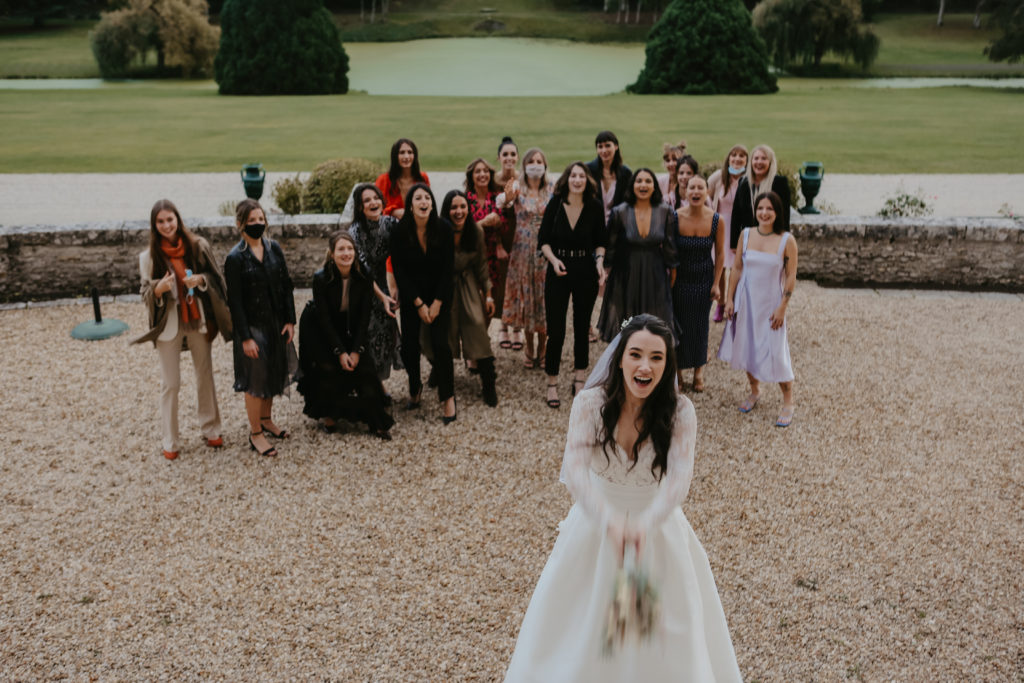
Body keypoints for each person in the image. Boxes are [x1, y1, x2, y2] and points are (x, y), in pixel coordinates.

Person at [504, 314, 743, 682]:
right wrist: (610, 522)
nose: (645, 366)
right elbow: (576, 471)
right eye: (636, 354)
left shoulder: (682, 412)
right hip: (595, 529)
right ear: (619, 359)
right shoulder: (589, 403)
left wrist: (645, 525)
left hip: (658, 530)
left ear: (667, 365)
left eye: (656, 357)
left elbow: (680, 480)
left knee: (660, 637)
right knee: (581, 632)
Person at [133, 199, 232, 460]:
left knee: (204, 374)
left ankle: (211, 428)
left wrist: (200, 280)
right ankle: (170, 439)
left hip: (198, 319)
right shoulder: (147, 257)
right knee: (171, 383)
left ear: (178, 219)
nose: (167, 225)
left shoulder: (197, 246)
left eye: (170, 219)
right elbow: (145, 293)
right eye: (161, 221)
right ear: (154, 225)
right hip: (168, 323)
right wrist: (158, 289)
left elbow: (216, 278)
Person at [297, 231, 395, 440]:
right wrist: (340, 351)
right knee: (328, 368)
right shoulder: (320, 278)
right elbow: (324, 319)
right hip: (320, 327)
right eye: (341, 249)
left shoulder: (364, 275)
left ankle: (376, 421)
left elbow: (365, 316)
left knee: (366, 370)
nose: (346, 253)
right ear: (332, 254)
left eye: (350, 249)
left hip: (352, 325)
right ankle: (329, 414)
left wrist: (356, 350)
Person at [223, 199, 298, 457]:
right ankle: (255, 433)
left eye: (260, 219)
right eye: (251, 220)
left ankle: (266, 420)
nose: (257, 224)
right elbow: (235, 303)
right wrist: (245, 338)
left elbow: (286, 285)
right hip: (252, 327)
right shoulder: (235, 258)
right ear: (240, 224)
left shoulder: (274, 248)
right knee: (255, 380)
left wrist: (290, 320)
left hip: (276, 323)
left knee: (273, 372)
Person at [718, 191, 798, 427]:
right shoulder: (746, 234)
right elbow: (737, 268)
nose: (764, 213)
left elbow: (791, 276)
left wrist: (783, 307)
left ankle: (788, 401)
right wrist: (729, 299)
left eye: (769, 209)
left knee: (777, 351)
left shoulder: (787, 240)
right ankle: (755, 390)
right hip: (746, 301)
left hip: (771, 304)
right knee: (747, 347)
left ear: (777, 212)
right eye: (761, 208)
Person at [539, 162, 607, 408]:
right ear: (567, 179)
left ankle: (579, 379)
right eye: (573, 175)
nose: (577, 180)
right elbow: (543, 240)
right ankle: (552, 382)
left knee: (581, 327)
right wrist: (553, 260)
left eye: (581, 176)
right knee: (556, 330)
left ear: (587, 180)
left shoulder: (595, 206)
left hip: (585, 270)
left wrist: (599, 262)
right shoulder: (556, 204)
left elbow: (601, 241)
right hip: (558, 268)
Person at [390, 183, 458, 423]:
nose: (423, 201)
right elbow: (400, 271)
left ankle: (447, 397)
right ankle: (414, 387)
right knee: (409, 347)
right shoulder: (399, 232)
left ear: (432, 203)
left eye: (427, 197)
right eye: (418, 198)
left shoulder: (444, 228)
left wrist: (437, 303)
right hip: (413, 296)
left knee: (441, 345)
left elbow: (448, 269)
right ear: (410, 205)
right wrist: (419, 304)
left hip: (440, 294)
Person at [425, 189, 498, 407]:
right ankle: (439, 368)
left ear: (468, 208)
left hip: (467, 283)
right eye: (454, 207)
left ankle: (488, 381)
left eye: (463, 206)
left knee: (476, 327)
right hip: (442, 285)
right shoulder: (437, 231)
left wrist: (488, 296)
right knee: (439, 331)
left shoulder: (475, 230)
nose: (459, 211)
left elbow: (482, 265)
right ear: (446, 210)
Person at [596, 168, 678, 343]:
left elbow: (670, 247)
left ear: (654, 186)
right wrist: (606, 271)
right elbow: (611, 245)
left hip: (655, 272)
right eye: (639, 181)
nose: (643, 185)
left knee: (655, 319)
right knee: (627, 320)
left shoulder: (665, 211)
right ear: (632, 185)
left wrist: (673, 275)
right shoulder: (620, 212)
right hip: (626, 272)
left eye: (648, 181)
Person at [673, 175, 725, 392]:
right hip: (680, 280)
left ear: (706, 192)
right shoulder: (675, 217)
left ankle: (698, 371)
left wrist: (716, 284)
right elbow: (670, 251)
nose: (695, 192)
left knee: (700, 326)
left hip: (704, 279)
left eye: (700, 188)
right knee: (678, 325)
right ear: (685, 192)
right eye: (691, 188)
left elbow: (720, 254)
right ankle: (677, 372)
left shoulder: (716, 220)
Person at [501, 147, 552, 369]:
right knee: (527, 299)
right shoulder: (517, 187)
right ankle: (529, 346)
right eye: (531, 161)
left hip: (545, 251)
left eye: (539, 161)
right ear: (524, 165)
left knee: (544, 299)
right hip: (522, 250)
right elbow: (502, 202)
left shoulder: (552, 188)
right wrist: (506, 199)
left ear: (545, 165)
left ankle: (544, 347)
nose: (535, 165)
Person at [347, 183, 402, 384]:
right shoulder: (355, 231)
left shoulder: (391, 224)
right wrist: (382, 297)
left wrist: (396, 290)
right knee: (365, 336)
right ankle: (367, 385)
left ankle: (377, 384)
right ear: (360, 207)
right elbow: (363, 270)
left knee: (385, 335)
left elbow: (401, 258)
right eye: (367, 200)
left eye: (376, 198)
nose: (373, 203)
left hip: (382, 284)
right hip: (360, 288)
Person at [465, 157, 511, 348]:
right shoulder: (465, 199)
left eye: (485, 171)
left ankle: (481, 339)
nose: (482, 174)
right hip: (470, 259)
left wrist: (499, 223)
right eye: (478, 171)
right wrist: (483, 223)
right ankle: (473, 343)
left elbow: (506, 227)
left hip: (492, 258)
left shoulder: (497, 197)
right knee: (472, 303)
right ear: (471, 176)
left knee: (489, 302)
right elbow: (461, 230)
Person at [707, 144, 749, 323]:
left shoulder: (748, 179)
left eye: (741, 156)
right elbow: (707, 198)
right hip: (720, 226)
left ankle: (734, 302)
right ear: (729, 158)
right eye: (734, 155)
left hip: (738, 228)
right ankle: (721, 303)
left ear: (746, 160)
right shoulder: (719, 177)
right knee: (720, 266)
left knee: (737, 267)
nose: (737, 159)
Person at [730, 144, 791, 252]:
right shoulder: (743, 183)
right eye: (756, 158)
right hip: (749, 240)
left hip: (773, 239)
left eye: (763, 158)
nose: (759, 162)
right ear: (751, 161)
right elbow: (736, 214)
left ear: (770, 162)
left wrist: (785, 242)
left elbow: (785, 215)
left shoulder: (779, 183)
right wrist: (734, 244)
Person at [493, 136, 521, 349]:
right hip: (499, 235)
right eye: (505, 154)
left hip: (519, 236)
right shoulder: (493, 181)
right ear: (499, 158)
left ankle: (517, 328)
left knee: (519, 282)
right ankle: (503, 325)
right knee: (502, 281)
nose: (509, 158)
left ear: (517, 157)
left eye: (513, 154)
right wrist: (497, 245)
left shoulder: (523, 179)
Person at [375, 138, 430, 219]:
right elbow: (376, 208)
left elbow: (428, 204)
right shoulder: (383, 180)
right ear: (395, 156)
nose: (406, 156)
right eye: (402, 152)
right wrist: (393, 212)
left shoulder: (423, 178)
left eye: (410, 152)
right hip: (391, 223)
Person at [585, 130, 632, 224]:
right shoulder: (588, 170)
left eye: (607, 145)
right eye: (600, 147)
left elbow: (628, 202)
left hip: (617, 225)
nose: (604, 150)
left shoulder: (626, 173)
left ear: (616, 146)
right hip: (593, 224)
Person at [656, 140, 686, 205]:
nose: (671, 164)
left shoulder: (687, 182)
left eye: (675, 160)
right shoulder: (660, 182)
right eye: (668, 161)